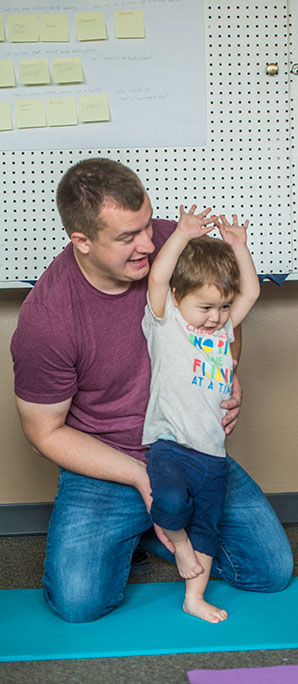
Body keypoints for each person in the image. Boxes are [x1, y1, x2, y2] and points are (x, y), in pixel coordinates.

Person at [10, 158, 293, 624]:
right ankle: (153, 521)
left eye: (146, 224)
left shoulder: (172, 243)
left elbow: (224, 309)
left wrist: (227, 368)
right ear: (81, 240)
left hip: (190, 447)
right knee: (80, 603)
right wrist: (141, 478)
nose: (148, 243)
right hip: (110, 458)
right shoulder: (48, 319)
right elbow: (45, 432)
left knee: (270, 571)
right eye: (127, 237)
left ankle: (159, 523)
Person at [142, 205, 260, 623]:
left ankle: (194, 597)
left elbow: (250, 294)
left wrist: (239, 248)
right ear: (178, 298)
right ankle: (178, 544)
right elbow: (158, 276)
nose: (216, 318)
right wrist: (182, 235)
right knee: (172, 502)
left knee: (207, 525)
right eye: (206, 307)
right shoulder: (165, 322)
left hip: (212, 454)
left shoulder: (224, 328)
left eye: (223, 308)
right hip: (171, 446)